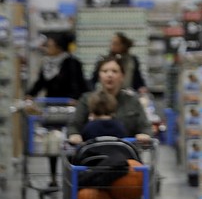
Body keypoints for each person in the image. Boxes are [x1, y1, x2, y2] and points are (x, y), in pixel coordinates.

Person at [26, 32, 89, 186]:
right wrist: (30, 95)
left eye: (50, 44)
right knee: (52, 141)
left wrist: (74, 100)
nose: (47, 47)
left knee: (70, 142)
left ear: (59, 47)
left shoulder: (72, 63)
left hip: (69, 109)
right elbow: (40, 82)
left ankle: (72, 175)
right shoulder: (47, 63)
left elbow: (77, 84)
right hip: (52, 107)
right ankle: (53, 177)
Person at [68, 55, 151, 145]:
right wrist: (74, 135)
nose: (109, 75)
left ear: (122, 76)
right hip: (92, 153)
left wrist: (145, 135)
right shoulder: (87, 99)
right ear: (99, 75)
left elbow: (145, 126)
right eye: (105, 71)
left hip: (126, 153)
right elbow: (74, 125)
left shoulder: (132, 101)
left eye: (114, 71)